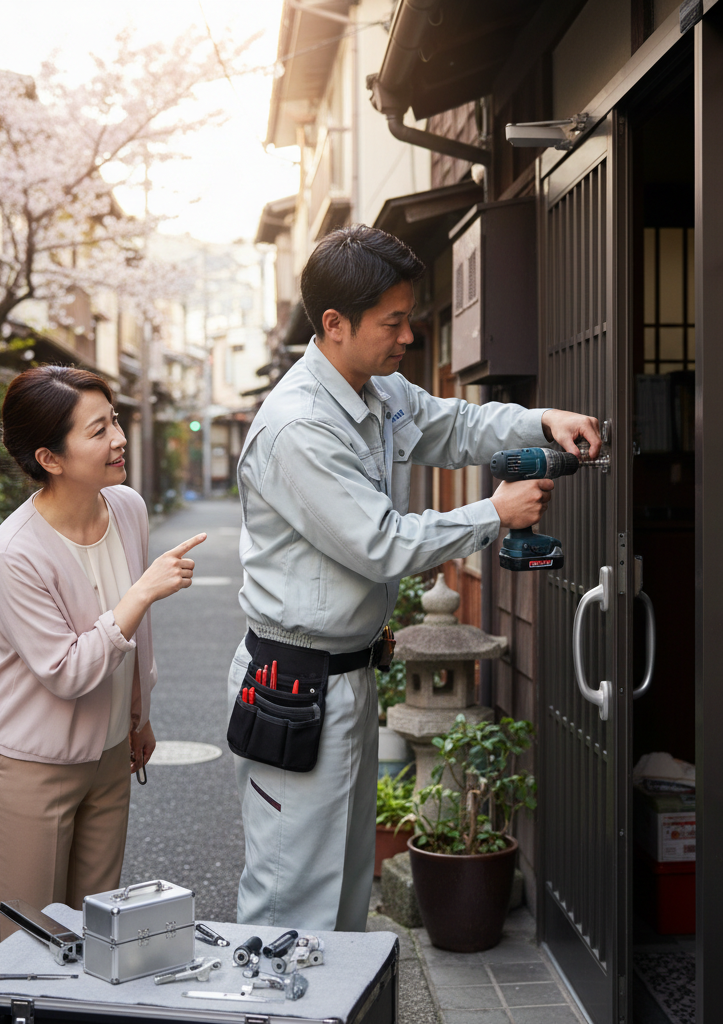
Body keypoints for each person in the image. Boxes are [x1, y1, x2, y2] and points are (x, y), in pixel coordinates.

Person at [227, 225, 601, 932]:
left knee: (343, 896)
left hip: (345, 674)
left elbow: (455, 426)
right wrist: (494, 512)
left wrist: (542, 420)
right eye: (392, 322)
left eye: (409, 318)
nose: (408, 335)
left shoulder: (378, 391)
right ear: (335, 324)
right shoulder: (299, 427)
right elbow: (379, 542)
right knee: (290, 902)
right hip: (294, 683)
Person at [0, 365, 205, 947]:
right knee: (27, 940)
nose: (119, 439)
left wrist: (138, 716)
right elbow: (67, 671)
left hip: (110, 753)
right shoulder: (15, 554)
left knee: (96, 933)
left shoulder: (127, 507)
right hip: (32, 763)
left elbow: (136, 638)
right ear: (49, 458)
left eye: (115, 421)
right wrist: (141, 592)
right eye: (99, 430)